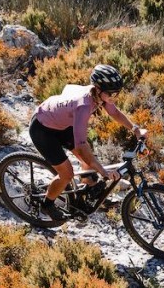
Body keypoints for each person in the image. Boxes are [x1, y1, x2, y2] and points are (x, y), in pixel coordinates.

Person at [29, 64, 145, 219]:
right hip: (42, 129)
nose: (113, 97)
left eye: (116, 93)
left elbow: (115, 112)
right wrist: (103, 172)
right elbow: (81, 147)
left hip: (61, 123)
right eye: (111, 93)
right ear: (97, 89)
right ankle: (47, 205)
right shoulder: (84, 105)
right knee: (67, 174)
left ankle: (83, 194)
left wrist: (136, 129)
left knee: (88, 162)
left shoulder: (99, 95)